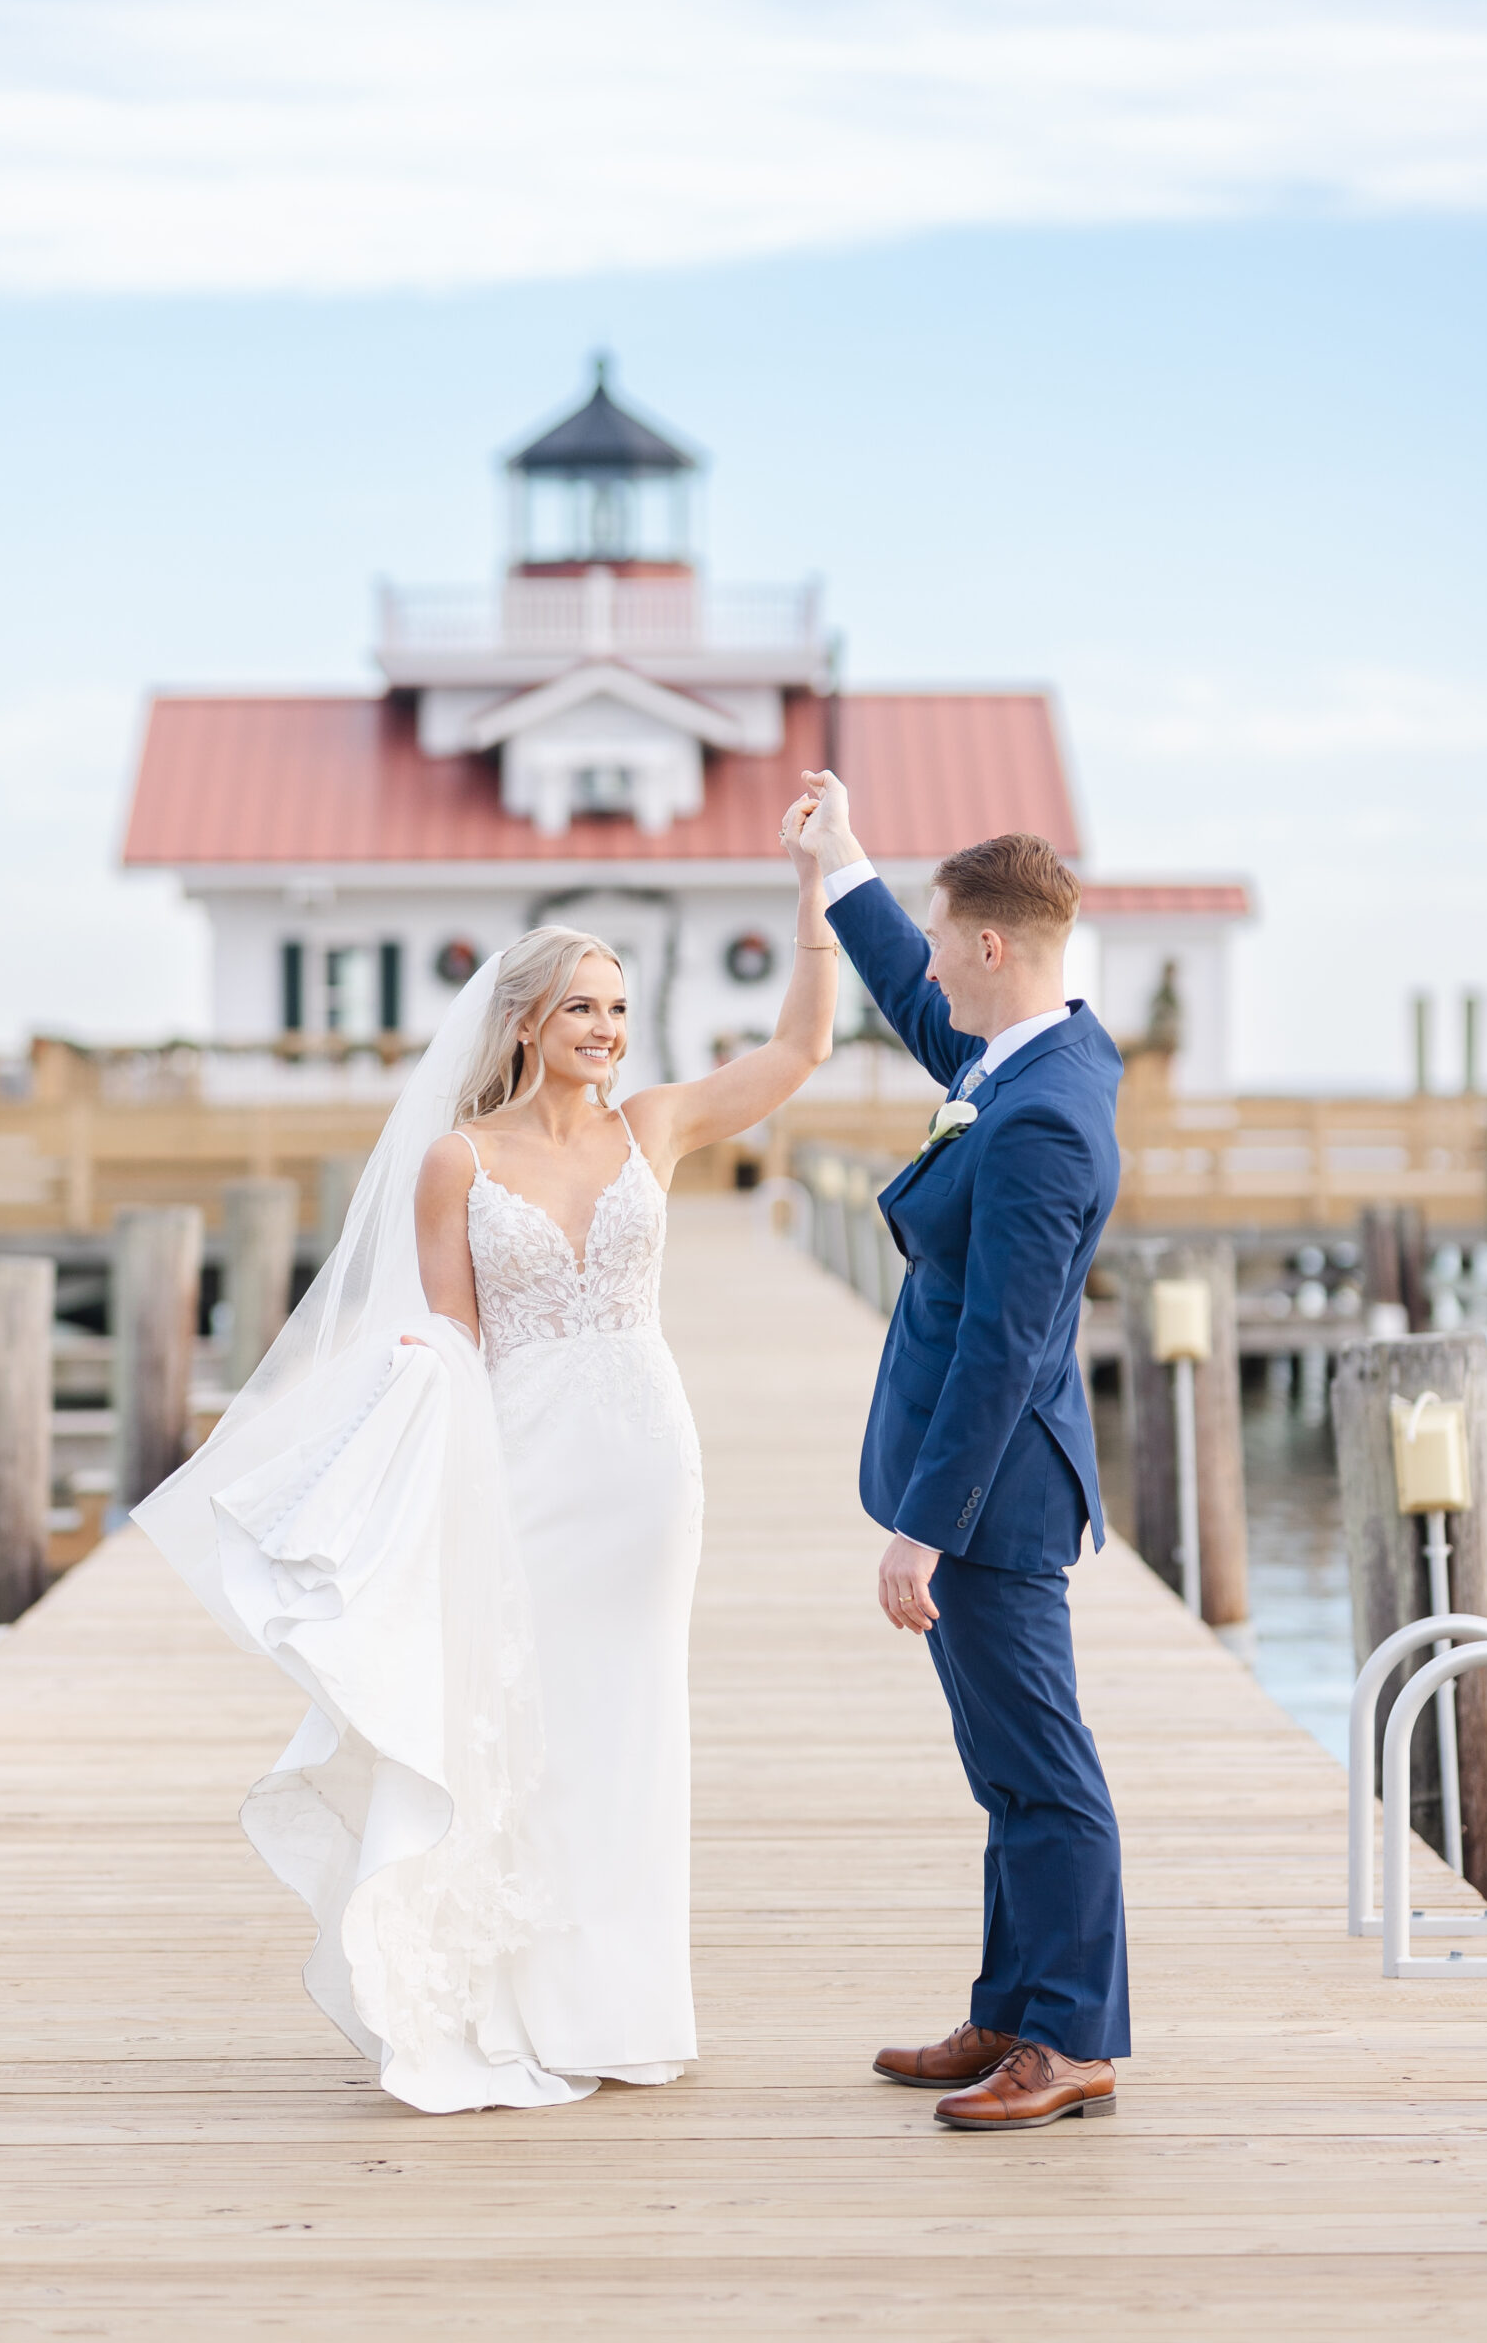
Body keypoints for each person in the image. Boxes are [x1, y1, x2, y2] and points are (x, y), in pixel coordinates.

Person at [135, 834, 838, 2114]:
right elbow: (449, 1333)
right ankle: (519, 1996)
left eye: (621, 1008)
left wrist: (813, 897)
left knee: (633, 1722)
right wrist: (366, 1461)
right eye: (582, 1005)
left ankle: (626, 2003)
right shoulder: (458, 1157)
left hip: (645, 1466)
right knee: (526, 1721)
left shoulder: (656, 1127)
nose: (607, 1029)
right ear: (523, 1019)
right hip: (522, 1464)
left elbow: (798, 1056)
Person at [792, 771, 1130, 2132]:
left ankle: (1071, 2040)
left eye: (939, 937)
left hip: (992, 1499)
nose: (927, 962)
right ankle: (1010, 2006)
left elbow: (1006, 1347)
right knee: (1002, 1765)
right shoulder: (1024, 1056)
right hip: (975, 1484)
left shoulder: (1044, 1116)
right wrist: (844, 864)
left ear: (992, 945)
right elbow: (917, 1011)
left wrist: (925, 1525)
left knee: (1043, 1768)